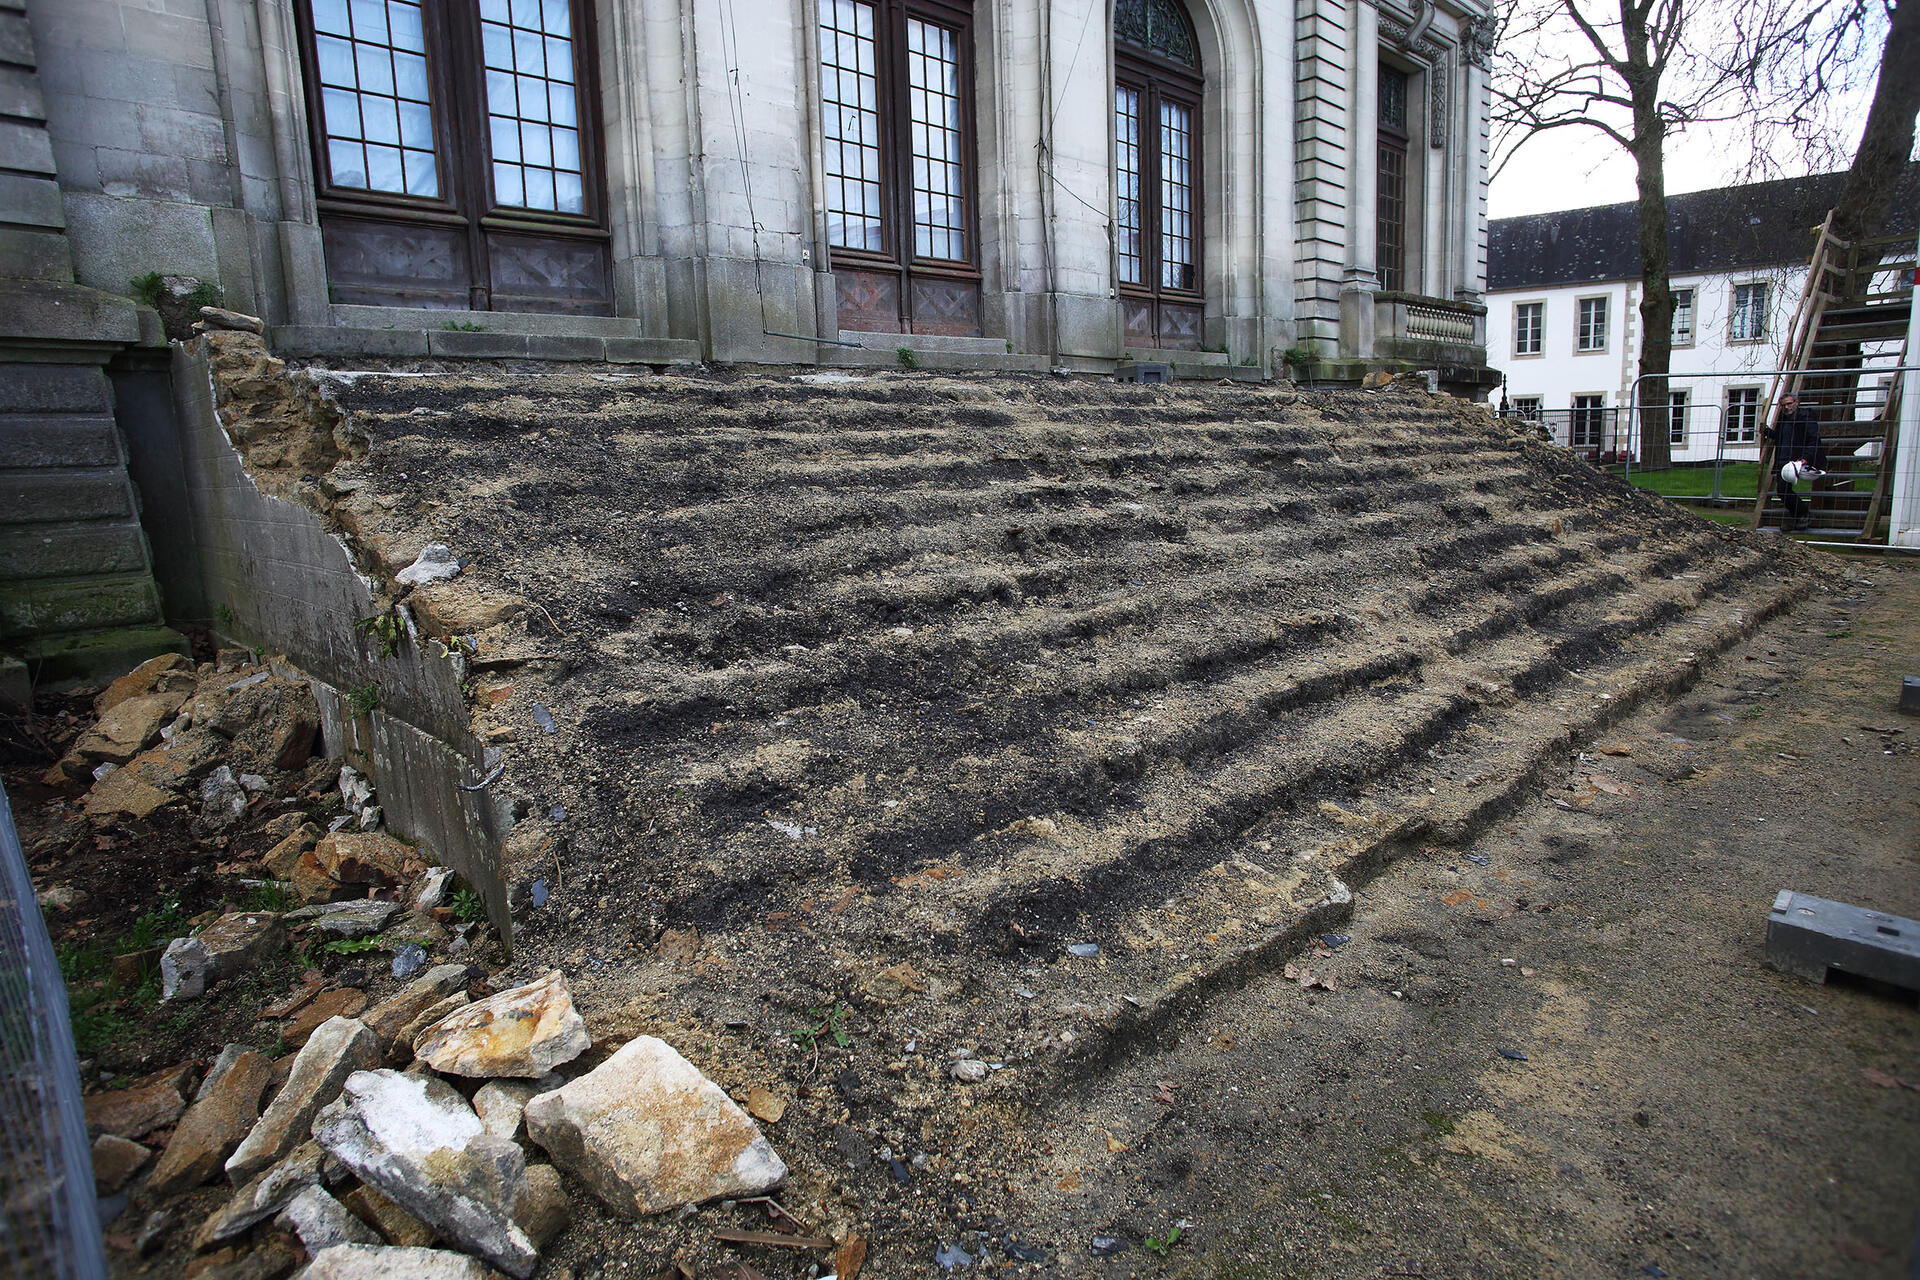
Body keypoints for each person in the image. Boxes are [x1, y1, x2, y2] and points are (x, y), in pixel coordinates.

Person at [1767, 392, 1825, 531]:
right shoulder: (1783, 419)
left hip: (1798, 459)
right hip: (1783, 460)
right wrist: (1768, 432)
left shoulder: (1806, 417)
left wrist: (1805, 458)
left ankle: (1803, 515)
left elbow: (1813, 440)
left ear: (1796, 402)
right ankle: (1800, 516)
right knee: (1782, 491)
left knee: (1784, 490)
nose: (1787, 407)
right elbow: (1781, 437)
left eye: (1789, 403)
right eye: (1783, 405)